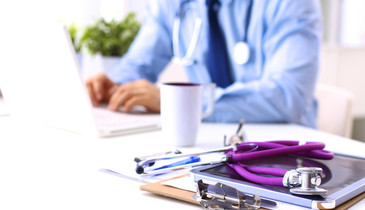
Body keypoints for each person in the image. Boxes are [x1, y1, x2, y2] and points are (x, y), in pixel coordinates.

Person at [85, 0, 322, 128]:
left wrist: (179, 101)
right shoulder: (174, 4)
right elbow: (140, 62)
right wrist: (114, 86)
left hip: (281, 150)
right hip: (207, 144)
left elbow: (288, 96)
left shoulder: (291, 3)